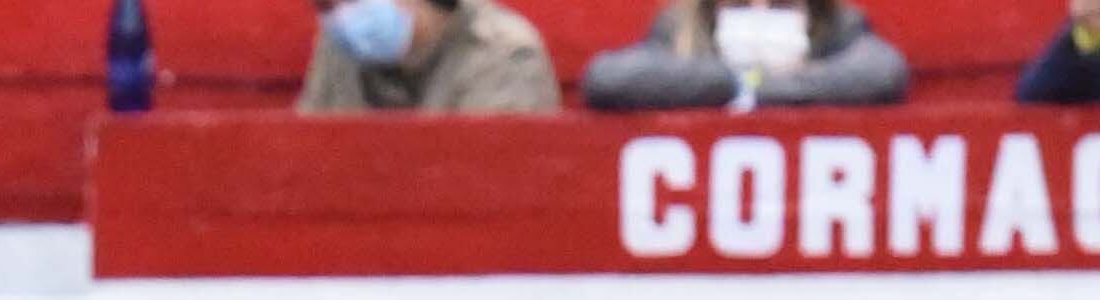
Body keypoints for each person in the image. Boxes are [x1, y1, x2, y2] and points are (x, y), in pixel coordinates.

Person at [579, 0, 909, 108]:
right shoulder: (680, 32)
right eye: (738, 3)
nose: (759, 13)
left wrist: (759, 87)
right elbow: (607, 78)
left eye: (781, 4)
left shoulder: (838, 28)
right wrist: (730, 82)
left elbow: (882, 70)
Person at [299, 0, 566, 112]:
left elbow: (488, 186)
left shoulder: (505, 55)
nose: (341, 16)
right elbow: (307, 160)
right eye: (326, 4)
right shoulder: (340, 43)